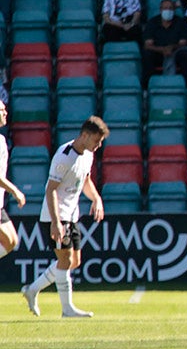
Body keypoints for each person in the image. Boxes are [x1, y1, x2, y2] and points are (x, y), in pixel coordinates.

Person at [20, 116, 109, 319]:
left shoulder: (87, 154)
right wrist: (55, 222)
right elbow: (50, 190)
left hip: (71, 214)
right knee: (66, 259)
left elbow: (85, 180)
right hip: (55, 216)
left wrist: (96, 199)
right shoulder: (64, 155)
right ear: (84, 135)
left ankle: (32, 289)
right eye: (97, 140)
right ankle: (67, 309)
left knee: (73, 261)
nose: (99, 145)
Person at [143, 0, 187, 88]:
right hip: (158, 53)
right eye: (165, 8)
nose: (168, 10)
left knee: (185, 54)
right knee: (147, 55)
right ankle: (148, 87)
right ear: (161, 10)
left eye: (171, 8)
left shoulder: (180, 22)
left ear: (174, 10)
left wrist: (172, 47)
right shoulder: (152, 22)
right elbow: (148, 44)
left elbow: (183, 43)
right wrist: (162, 50)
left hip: (175, 52)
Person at [0, 101, 26, 261]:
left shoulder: (1, 139)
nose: (5, 113)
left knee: (11, 241)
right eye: (1, 110)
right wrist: (14, 190)